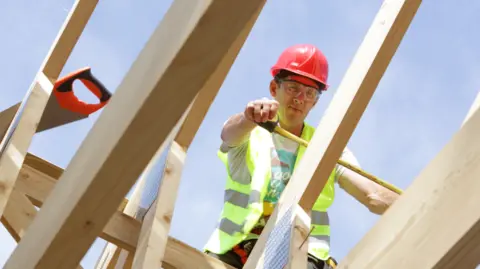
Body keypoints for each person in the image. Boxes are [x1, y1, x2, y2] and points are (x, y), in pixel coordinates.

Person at [203, 44, 399, 269]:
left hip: (300, 254)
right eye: (293, 88)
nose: (299, 98)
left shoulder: (328, 147)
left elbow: (374, 195)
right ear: (274, 87)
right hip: (237, 249)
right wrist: (249, 117)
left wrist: (425, 201)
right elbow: (230, 133)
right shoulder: (251, 133)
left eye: (309, 93)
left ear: (315, 102)